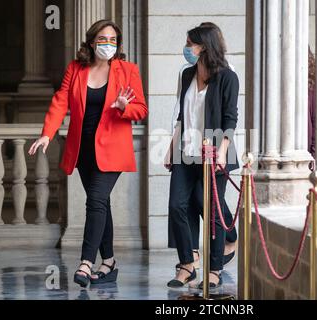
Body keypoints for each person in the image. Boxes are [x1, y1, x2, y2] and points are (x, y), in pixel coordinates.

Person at [28, 20, 148, 287]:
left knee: (94, 201)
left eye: (113, 40)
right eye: (103, 39)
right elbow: (60, 101)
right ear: (92, 42)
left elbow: (141, 109)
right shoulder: (76, 69)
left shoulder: (128, 70)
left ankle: (85, 262)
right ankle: (109, 263)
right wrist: (47, 133)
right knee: (101, 204)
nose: (108, 44)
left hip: (112, 149)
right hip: (82, 150)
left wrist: (122, 107)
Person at [164, 24, 239, 288]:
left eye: (190, 44)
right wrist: (171, 147)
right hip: (186, 152)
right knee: (177, 206)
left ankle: (215, 269)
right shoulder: (186, 75)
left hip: (213, 153)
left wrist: (222, 150)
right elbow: (182, 116)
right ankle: (187, 265)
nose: (186, 49)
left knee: (214, 214)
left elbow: (230, 117)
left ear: (204, 47)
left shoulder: (227, 77)